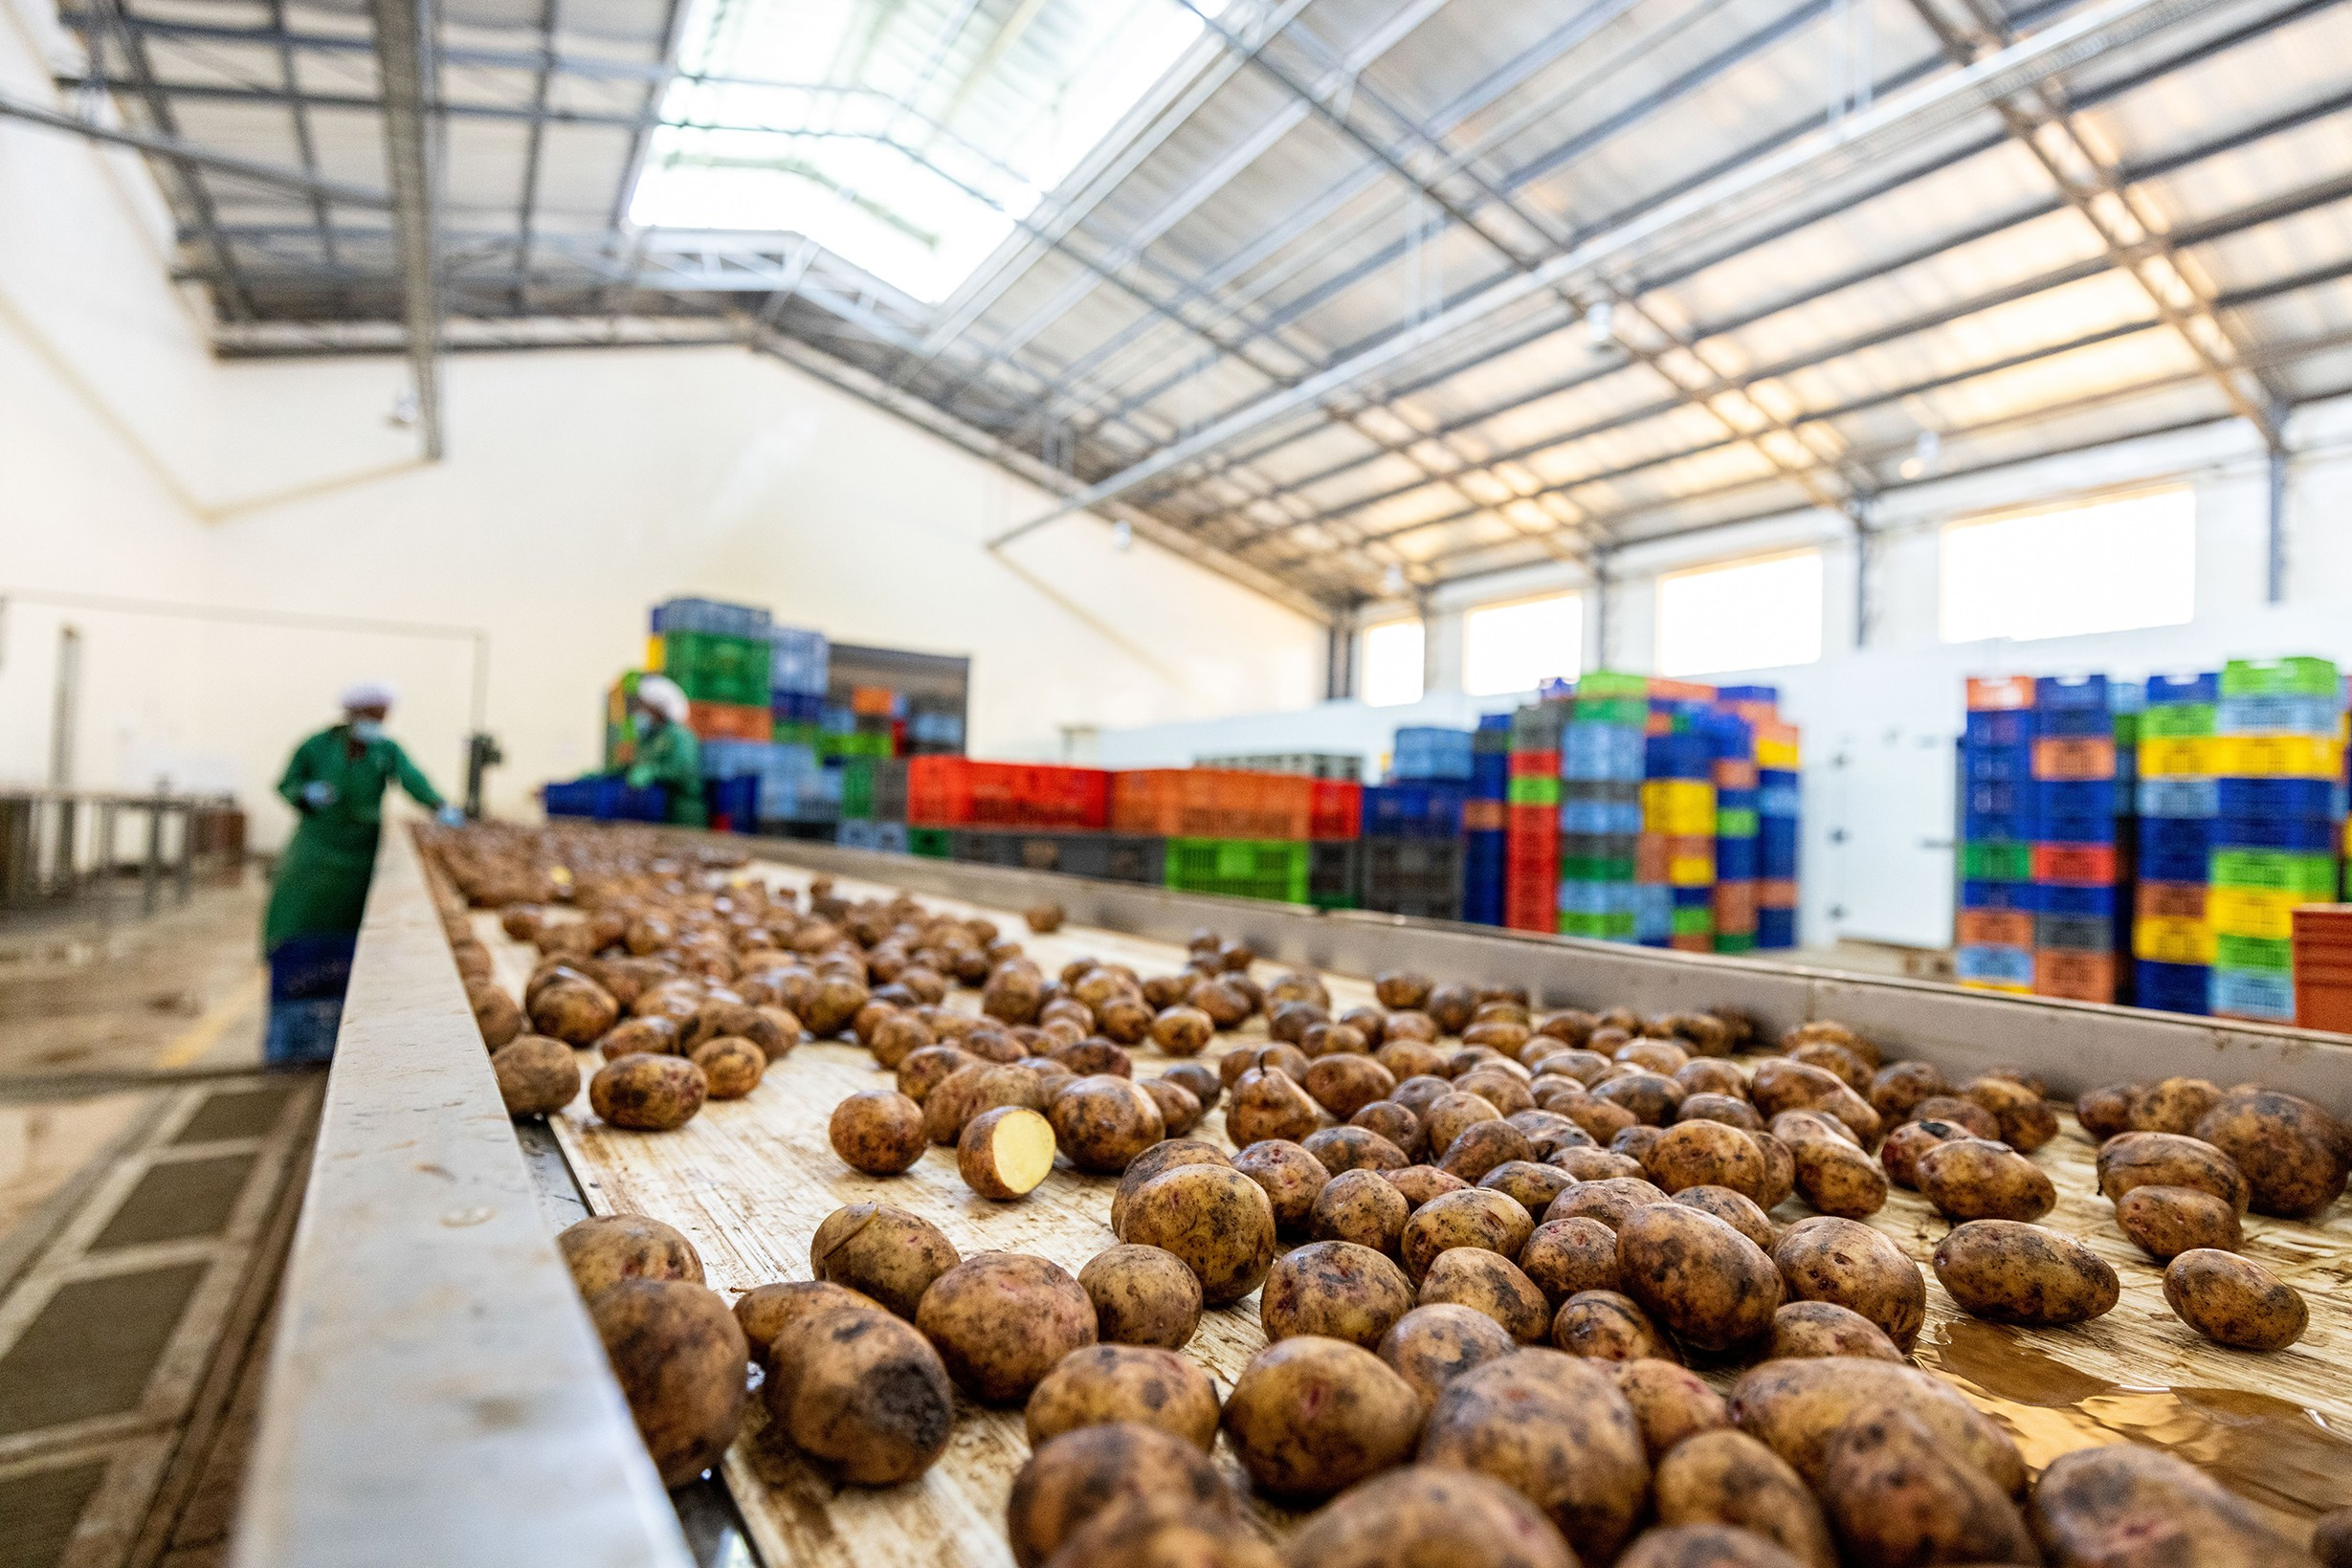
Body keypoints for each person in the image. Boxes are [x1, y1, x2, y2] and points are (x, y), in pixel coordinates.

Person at [263, 681, 464, 957]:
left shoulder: (386, 749)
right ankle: (293, 969)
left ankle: (342, 973)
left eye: (382, 716)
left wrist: (438, 805)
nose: (378, 722)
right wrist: (305, 793)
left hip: (363, 847)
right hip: (317, 845)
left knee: (352, 915)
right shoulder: (316, 745)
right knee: (301, 910)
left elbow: (412, 779)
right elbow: (287, 783)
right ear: (353, 713)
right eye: (372, 715)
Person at [623, 674, 708, 828]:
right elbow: (639, 763)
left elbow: (682, 770)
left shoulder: (681, 736)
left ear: (657, 708)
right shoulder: (652, 735)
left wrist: (652, 771)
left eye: (644, 706)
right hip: (656, 808)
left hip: (682, 812)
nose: (640, 711)